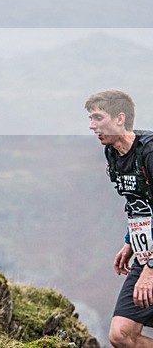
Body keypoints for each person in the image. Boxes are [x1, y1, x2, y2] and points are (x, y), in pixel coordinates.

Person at [86, 90, 153, 347]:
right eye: (91, 119)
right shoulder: (113, 153)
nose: (92, 126)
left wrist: (150, 269)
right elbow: (139, 202)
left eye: (98, 118)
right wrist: (130, 242)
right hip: (145, 252)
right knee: (121, 334)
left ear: (120, 118)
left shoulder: (149, 152)